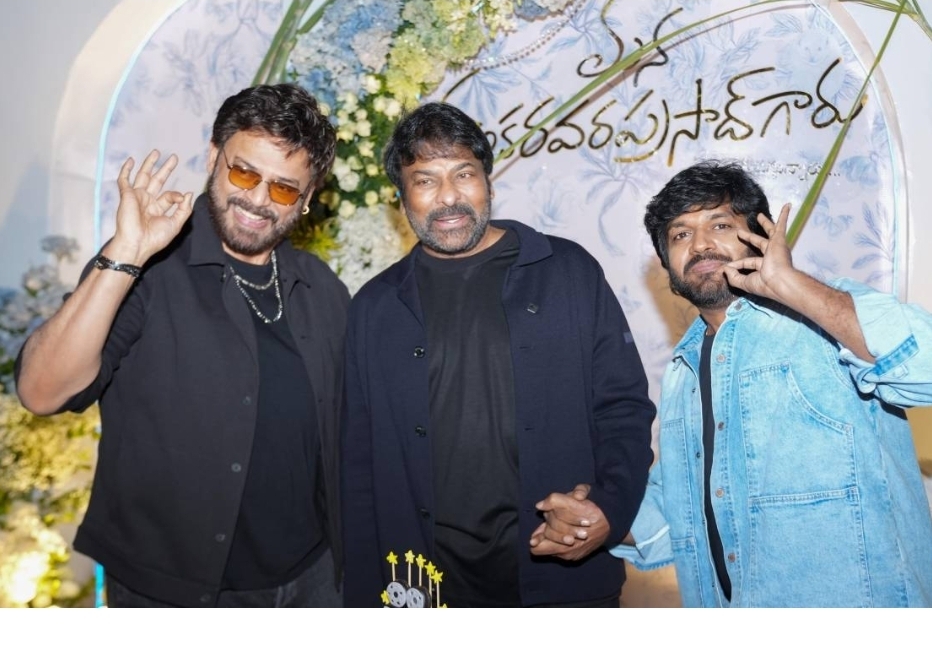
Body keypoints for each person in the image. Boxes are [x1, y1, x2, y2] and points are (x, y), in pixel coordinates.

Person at [15, 84, 349, 607]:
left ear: (306, 200)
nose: (258, 199)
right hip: (170, 591)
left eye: (284, 189)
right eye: (245, 173)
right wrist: (126, 253)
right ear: (214, 157)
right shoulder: (146, 269)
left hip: (312, 580)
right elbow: (41, 391)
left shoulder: (321, 287)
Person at [341, 102, 656, 608]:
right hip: (425, 584)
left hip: (561, 574)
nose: (448, 196)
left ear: (488, 181)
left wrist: (609, 509)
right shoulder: (374, 308)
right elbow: (359, 465)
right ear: (401, 198)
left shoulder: (568, 272)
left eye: (463, 174)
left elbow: (624, 409)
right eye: (425, 180)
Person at [611, 160, 932, 607]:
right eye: (680, 234)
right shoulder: (683, 372)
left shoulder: (825, 316)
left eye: (720, 225)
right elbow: (681, 513)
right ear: (667, 263)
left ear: (757, 236)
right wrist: (594, 520)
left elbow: (924, 370)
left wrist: (790, 285)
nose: (700, 244)